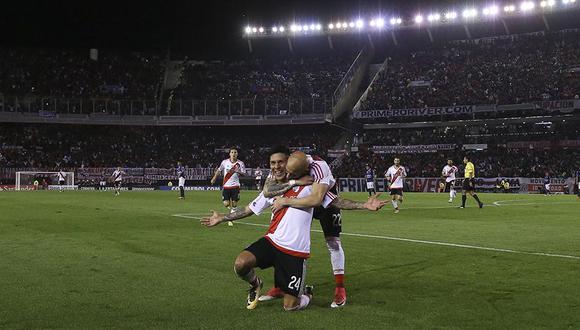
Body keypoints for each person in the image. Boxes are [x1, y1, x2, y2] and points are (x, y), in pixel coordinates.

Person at [200, 146, 319, 311]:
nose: (276, 166)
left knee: (290, 307)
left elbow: (331, 200)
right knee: (241, 264)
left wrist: (362, 205)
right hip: (272, 241)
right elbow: (249, 209)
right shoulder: (271, 190)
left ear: (290, 163)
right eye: (272, 163)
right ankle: (256, 284)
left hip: (294, 251)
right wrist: (222, 217)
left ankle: (306, 294)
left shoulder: (309, 184)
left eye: (280, 162)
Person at [264, 151, 388, 308]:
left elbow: (321, 200)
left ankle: (340, 288)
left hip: (323, 202)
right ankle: (281, 286)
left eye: (292, 173)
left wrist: (363, 205)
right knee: (282, 237)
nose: (286, 173)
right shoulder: (283, 165)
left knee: (333, 242)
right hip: (298, 198)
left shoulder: (319, 167)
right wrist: (294, 182)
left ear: (305, 168)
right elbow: (267, 190)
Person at [210, 148, 246, 226]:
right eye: (232, 152)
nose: (233, 154)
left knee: (234, 203)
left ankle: (231, 219)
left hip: (235, 186)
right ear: (229, 154)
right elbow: (219, 170)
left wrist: (238, 171)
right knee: (226, 204)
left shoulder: (240, 163)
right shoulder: (225, 162)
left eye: (235, 152)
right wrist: (214, 178)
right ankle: (233, 211)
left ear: (237, 154)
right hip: (226, 186)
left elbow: (244, 173)